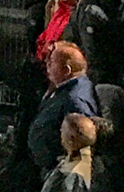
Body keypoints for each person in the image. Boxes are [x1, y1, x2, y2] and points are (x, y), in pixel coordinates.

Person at [27, 42, 98, 175]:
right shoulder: (63, 88)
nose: (47, 65)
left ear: (67, 70)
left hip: (57, 170)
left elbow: (80, 139)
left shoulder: (75, 100)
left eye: (52, 62)